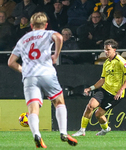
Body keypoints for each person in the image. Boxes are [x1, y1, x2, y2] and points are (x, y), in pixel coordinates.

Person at [7, 12, 78, 148]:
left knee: (33, 109)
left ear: (31, 25)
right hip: (47, 73)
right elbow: (58, 36)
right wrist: (56, 55)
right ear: (46, 25)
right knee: (58, 102)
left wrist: (24, 70)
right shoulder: (48, 33)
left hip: (29, 77)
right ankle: (63, 132)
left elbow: (11, 62)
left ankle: (37, 135)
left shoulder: (23, 39)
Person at [72, 39, 126, 136]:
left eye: (108, 50)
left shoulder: (121, 61)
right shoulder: (106, 63)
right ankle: (82, 130)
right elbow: (102, 80)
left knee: (98, 114)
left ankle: (105, 129)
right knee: (90, 106)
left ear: (114, 50)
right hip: (104, 90)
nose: (106, 52)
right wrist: (90, 88)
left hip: (115, 94)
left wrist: (121, 90)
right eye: (105, 50)